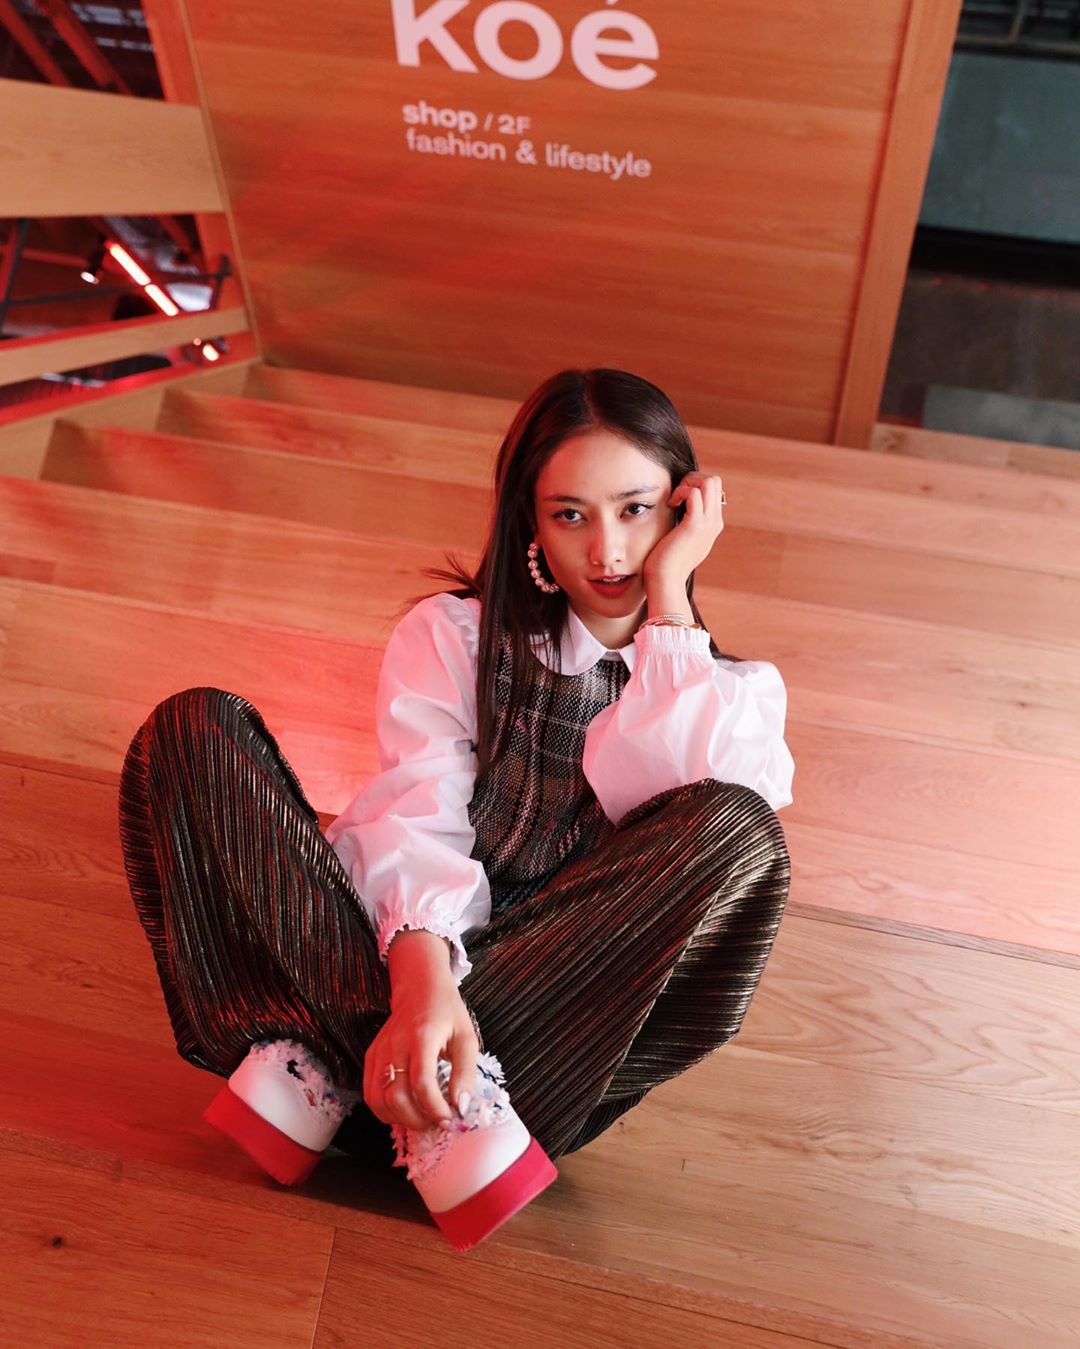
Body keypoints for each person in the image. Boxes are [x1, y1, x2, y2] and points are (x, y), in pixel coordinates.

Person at [118, 366, 794, 1253]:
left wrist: (671, 602)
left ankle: (395, 1072)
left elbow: (677, 808)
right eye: (570, 515)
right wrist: (421, 991)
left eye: (636, 510)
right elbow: (417, 813)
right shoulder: (456, 635)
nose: (608, 552)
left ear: (683, 511)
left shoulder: (736, 699)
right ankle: (350, 1061)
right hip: (392, 971)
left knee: (736, 826)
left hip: (543, 1050)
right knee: (193, 728)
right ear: (530, 526)